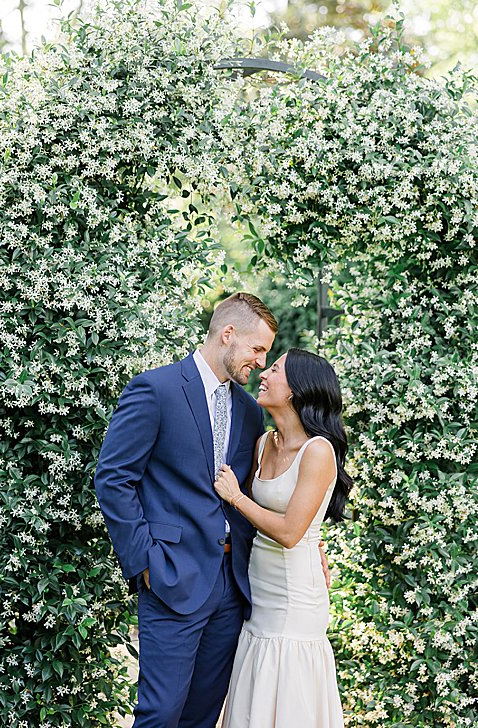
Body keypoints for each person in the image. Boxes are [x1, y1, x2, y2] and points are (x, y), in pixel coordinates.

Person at [94, 292, 276, 728]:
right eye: (257, 348)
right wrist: (145, 562)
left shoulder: (251, 412)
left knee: (202, 715)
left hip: (232, 588)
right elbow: (113, 479)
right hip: (171, 577)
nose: (261, 361)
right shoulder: (154, 390)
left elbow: (252, 491)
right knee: (160, 714)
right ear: (228, 335)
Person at [213, 348, 352, 727]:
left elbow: (291, 533)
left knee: (287, 687)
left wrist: (237, 497)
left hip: (295, 599)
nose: (263, 374)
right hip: (259, 590)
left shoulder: (318, 451)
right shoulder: (263, 444)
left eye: (274, 369)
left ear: (295, 390)